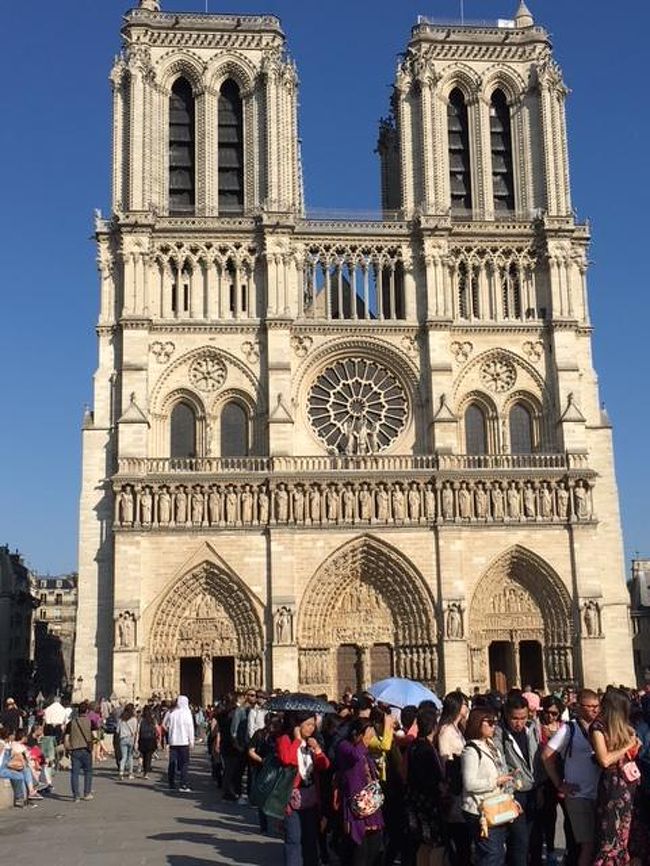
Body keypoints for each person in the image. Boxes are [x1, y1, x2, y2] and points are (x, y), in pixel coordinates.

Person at [543, 689, 600, 866]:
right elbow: (546, 755)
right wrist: (560, 784)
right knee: (587, 845)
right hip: (578, 795)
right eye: (590, 706)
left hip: (599, 793)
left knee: (597, 843)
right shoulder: (569, 729)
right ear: (579, 707)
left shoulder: (600, 727)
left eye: (597, 706)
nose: (594, 710)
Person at [590, 688, 640, 866]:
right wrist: (627, 746)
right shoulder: (598, 727)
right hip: (612, 789)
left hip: (627, 786)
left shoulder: (623, 727)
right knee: (610, 838)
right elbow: (604, 760)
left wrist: (634, 746)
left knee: (625, 838)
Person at [493, 692, 542, 866]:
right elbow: (500, 766)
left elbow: (537, 759)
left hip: (534, 789)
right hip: (515, 794)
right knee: (519, 841)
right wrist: (509, 795)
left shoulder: (532, 727)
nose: (519, 723)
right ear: (506, 714)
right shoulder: (499, 734)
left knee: (535, 838)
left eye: (523, 717)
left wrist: (540, 785)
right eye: (515, 718)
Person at [277, 711, 330, 866]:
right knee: (294, 839)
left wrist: (318, 750)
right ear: (297, 725)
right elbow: (287, 760)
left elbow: (324, 765)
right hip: (291, 799)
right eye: (307, 725)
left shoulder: (311, 742)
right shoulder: (285, 739)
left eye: (313, 725)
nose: (311, 728)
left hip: (310, 798)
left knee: (310, 839)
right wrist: (298, 741)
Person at [461, 707, 513, 866]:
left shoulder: (490, 744)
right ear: (478, 724)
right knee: (491, 855)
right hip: (480, 810)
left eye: (495, 723)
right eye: (490, 723)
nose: (494, 726)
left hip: (496, 806)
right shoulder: (471, 750)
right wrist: (495, 781)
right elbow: (469, 783)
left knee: (496, 853)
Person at [336, 718, 384, 866]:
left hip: (371, 804)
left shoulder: (364, 750)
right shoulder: (345, 746)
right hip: (356, 807)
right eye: (367, 734)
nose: (369, 738)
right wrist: (365, 739)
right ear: (357, 733)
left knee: (374, 850)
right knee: (359, 854)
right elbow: (355, 756)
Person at [404, 707, 446, 866]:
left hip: (415, 798)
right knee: (436, 842)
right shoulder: (427, 749)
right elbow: (434, 777)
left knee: (424, 841)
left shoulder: (414, 744)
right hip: (429, 801)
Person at [530, 696, 565, 866]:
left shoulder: (564, 728)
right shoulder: (535, 727)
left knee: (569, 817)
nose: (550, 717)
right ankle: (549, 849)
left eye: (555, 713)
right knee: (547, 816)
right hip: (544, 779)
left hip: (562, 777)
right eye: (548, 712)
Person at [437, 692, 471, 866]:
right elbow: (444, 761)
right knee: (459, 838)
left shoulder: (458, 728)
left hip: (462, 785)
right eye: (465, 704)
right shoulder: (446, 730)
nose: (467, 707)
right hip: (453, 789)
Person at [163, 695, 195, 792]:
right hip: (184, 742)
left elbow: (165, 725)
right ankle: (183, 784)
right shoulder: (187, 713)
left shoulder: (172, 713)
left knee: (172, 762)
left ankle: (171, 783)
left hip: (173, 741)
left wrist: (170, 733)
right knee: (184, 763)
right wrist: (191, 741)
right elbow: (190, 728)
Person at [64, 701, 94, 802]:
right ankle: (87, 793)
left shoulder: (71, 723)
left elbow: (66, 738)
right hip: (86, 749)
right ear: (87, 711)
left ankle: (76, 796)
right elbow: (95, 735)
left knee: (75, 773)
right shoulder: (90, 722)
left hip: (75, 749)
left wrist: (67, 748)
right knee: (88, 772)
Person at [117, 703, 138, 780]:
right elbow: (135, 731)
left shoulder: (121, 719)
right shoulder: (134, 719)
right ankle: (130, 773)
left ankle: (121, 772)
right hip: (130, 738)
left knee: (124, 757)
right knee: (130, 757)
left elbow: (117, 730)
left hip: (122, 739)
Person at [137, 705, 157, 779]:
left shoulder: (141, 719)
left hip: (143, 739)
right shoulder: (152, 720)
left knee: (143, 755)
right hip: (151, 739)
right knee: (148, 756)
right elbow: (156, 729)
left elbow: (138, 729)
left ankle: (143, 768)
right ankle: (146, 772)